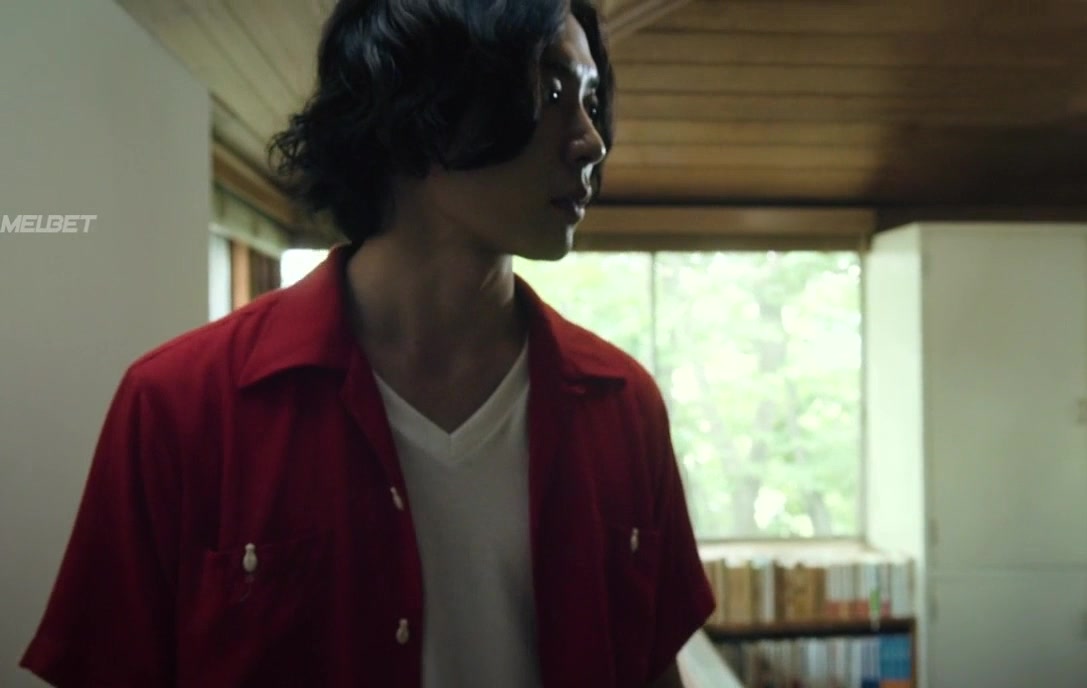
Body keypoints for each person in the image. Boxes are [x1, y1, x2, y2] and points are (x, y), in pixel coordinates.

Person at [20, 0, 715, 685]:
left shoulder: (622, 406)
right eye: (553, 92)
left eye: (591, 102)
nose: (591, 141)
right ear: (425, 103)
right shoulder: (180, 407)